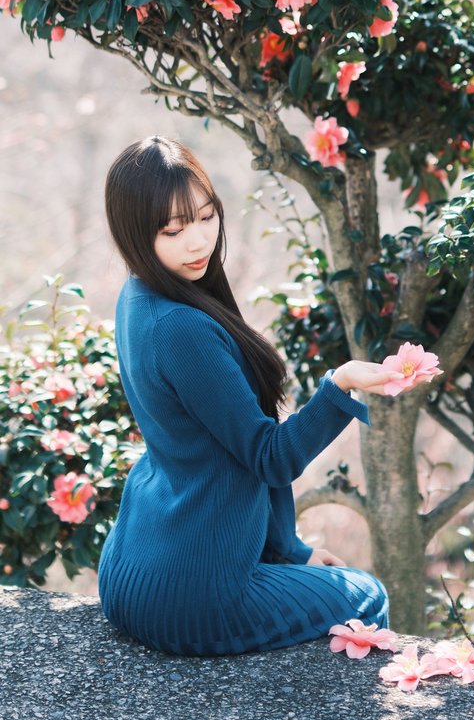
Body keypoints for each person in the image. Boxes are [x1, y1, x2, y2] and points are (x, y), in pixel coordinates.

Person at [98, 135, 397, 657]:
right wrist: (340, 385)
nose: (197, 242)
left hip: (130, 570)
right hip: (190, 596)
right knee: (366, 597)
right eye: (172, 230)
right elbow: (269, 456)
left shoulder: (137, 297)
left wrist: (291, 552)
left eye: (206, 217)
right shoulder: (180, 327)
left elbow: (241, 443)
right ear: (136, 236)